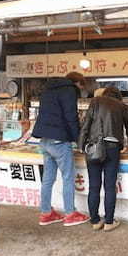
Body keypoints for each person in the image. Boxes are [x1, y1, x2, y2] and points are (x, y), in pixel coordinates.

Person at [32, 71, 90, 226]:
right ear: (77, 83)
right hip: (59, 141)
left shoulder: (48, 90)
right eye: (81, 86)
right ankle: (70, 213)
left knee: (47, 179)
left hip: (44, 140)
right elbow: (71, 116)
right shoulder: (69, 90)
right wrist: (79, 140)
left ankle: (46, 213)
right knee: (68, 178)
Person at [79, 87, 128, 232]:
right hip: (112, 148)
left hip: (94, 147)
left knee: (94, 186)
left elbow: (86, 125)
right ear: (119, 96)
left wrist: (81, 145)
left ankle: (95, 221)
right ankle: (109, 221)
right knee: (110, 186)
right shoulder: (123, 106)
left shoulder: (96, 101)